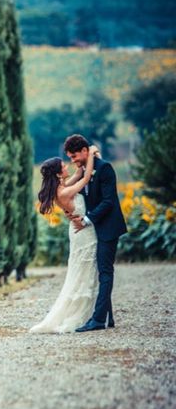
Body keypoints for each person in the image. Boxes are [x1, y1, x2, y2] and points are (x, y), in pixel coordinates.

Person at [29, 142, 100, 333]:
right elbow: (85, 178)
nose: (67, 166)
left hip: (80, 229)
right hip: (83, 233)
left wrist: (82, 163)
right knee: (84, 269)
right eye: (63, 165)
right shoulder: (65, 191)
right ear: (59, 173)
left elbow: (78, 174)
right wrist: (92, 154)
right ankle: (81, 314)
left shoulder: (61, 187)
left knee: (83, 269)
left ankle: (92, 311)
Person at [63, 134, 127, 332]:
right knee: (100, 271)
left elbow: (108, 201)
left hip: (108, 227)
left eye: (74, 156)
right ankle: (108, 318)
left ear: (85, 151)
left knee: (105, 272)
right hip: (92, 229)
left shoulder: (105, 168)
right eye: (70, 158)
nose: (72, 161)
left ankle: (98, 320)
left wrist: (86, 220)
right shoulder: (84, 170)